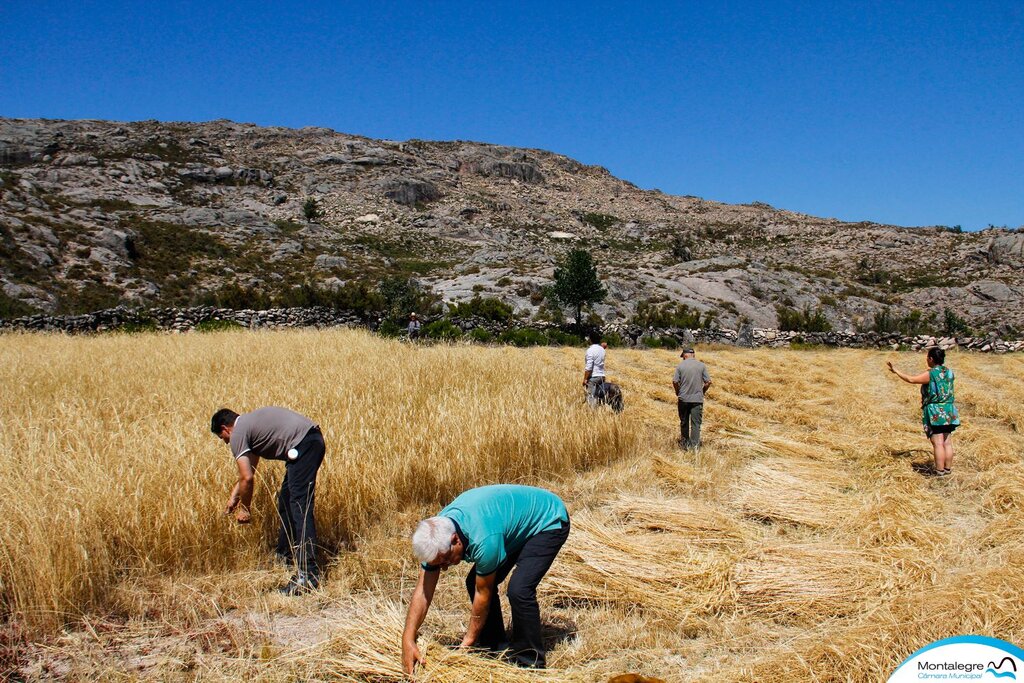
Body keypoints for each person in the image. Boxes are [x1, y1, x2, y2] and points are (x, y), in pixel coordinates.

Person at [402, 485, 570, 674]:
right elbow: (423, 591)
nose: (445, 567)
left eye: (446, 560)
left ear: (456, 540)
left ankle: (530, 664)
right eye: (439, 564)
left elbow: (483, 593)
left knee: (519, 590)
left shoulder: (483, 539)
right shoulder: (436, 536)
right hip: (509, 524)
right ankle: (495, 647)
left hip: (548, 520)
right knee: (473, 581)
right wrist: (408, 639)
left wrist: (467, 643)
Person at [210, 406, 326, 594]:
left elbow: (247, 477)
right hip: (310, 441)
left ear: (225, 429)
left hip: (303, 446)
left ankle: (308, 575)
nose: (225, 442)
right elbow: (250, 470)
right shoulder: (249, 425)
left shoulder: (238, 433)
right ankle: (284, 558)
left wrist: (246, 509)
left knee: (299, 507)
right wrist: (234, 498)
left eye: (222, 438)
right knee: (287, 502)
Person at [887, 347, 960, 476]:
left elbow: (911, 379)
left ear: (931, 359)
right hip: (949, 410)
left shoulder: (931, 374)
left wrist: (896, 371)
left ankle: (939, 472)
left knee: (937, 443)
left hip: (936, 411)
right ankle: (947, 469)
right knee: (947, 441)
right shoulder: (949, 372)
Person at [673, 347, 711, 449]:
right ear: (693, 354)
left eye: (683, 357)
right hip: (697, 400)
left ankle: (685, 445)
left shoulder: (680, 366)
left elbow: (675, 381)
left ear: (685, 355)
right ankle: (694, 447)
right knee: (696, 424)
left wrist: (678, 391)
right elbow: (708, 382)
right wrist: (702, 392)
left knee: (684, 422)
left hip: (683, 399)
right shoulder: (701, 366)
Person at [583, 331, 606, 407]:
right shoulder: (602, 350)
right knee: (599, 398)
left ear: (590, 339)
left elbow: (589, 367)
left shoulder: (590, 350)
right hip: (602, 376)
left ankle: (592, 414)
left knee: (591, 399)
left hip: (594, 377)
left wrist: (585, 379)